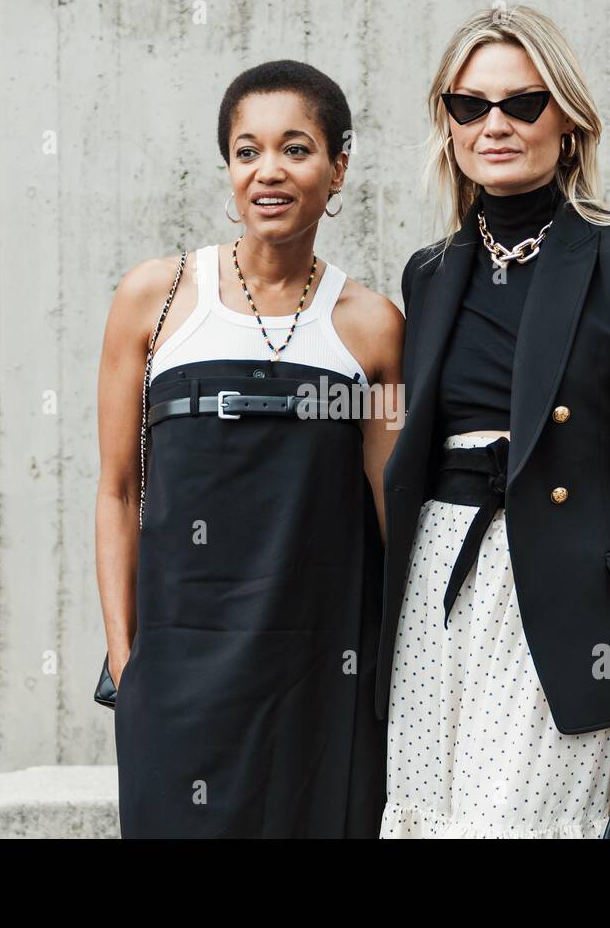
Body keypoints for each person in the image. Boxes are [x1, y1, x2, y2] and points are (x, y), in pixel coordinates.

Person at [377, 5, 610, 838]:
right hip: (433, 596)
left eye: (524, 103)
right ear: (446, 123)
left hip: (559, 607)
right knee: (421, 824)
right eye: (469, 105)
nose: (495, 124)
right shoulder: (432, 272)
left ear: (568, 119)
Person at [95, 60, 405, 837]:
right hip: (180, 672)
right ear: (229, 168)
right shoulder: (153, 297)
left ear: (338, 169)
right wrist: (128, 662)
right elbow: (117, 492)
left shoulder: (374, 326)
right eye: (247, 150)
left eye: (296, 149)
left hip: (321, 675)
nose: (269, 171)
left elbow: (394, 516)